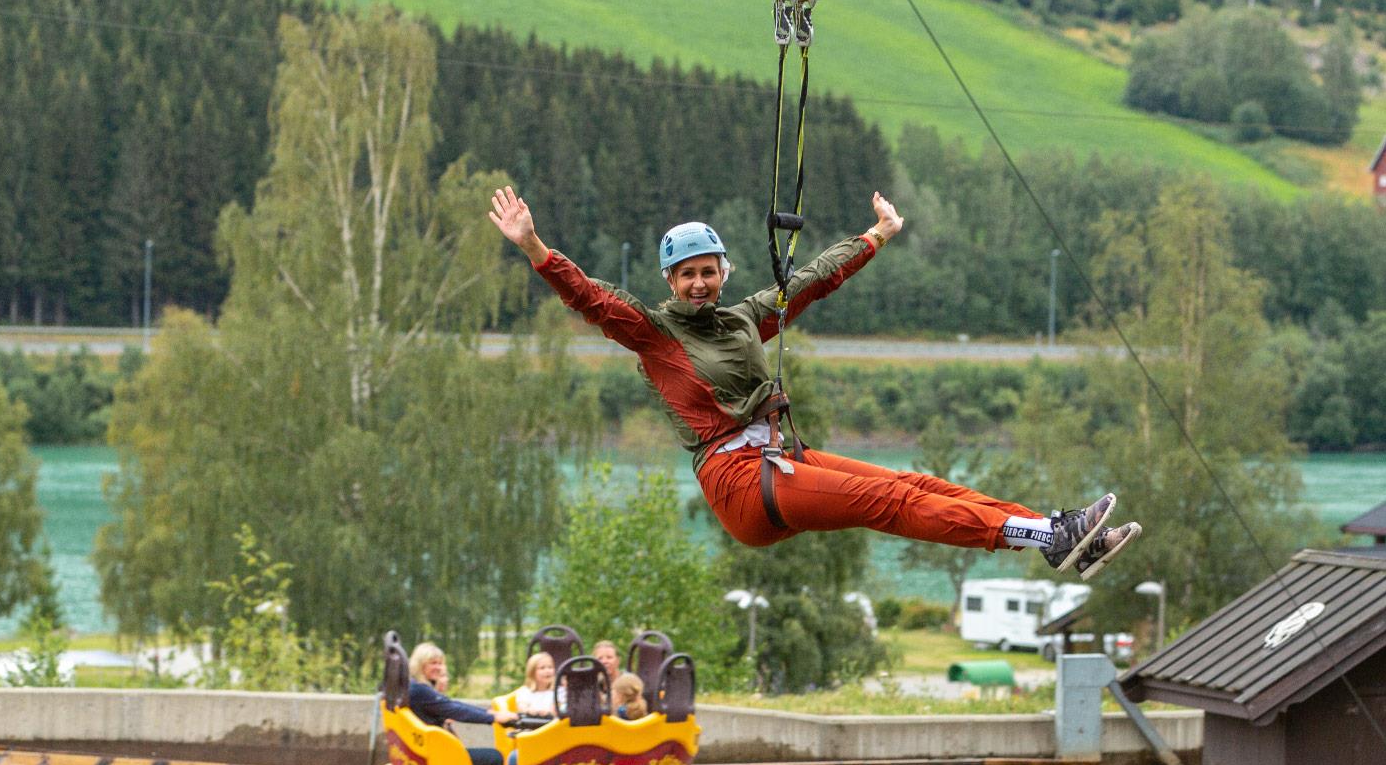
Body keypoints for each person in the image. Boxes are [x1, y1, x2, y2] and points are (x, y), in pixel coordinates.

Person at [488, 186, 1141, 577]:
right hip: (740, 484)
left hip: (775, 459)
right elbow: (592, 298)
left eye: (707, 271)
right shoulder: (654, 333)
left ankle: (1057, 534)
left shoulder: (745, 317)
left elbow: (813, 280)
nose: (697, 284)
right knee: (892, 507)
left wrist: (878, 235)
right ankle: (1047, 537)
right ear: (669, 283)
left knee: (908, 483)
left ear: (723, 270)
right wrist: (535, 249)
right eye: (685, 275)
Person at [406, 641, 517, 765]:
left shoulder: (415, 686)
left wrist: (491, 713)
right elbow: (456, 710)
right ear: (420, 665)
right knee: (494, 758)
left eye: (440, 663)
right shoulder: (420, 690)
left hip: (427, 751)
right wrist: (493, 718)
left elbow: (453, 705)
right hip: (434, 756)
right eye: (433, 663)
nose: (439, 667)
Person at [509, 651, 557, 717]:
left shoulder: (558, 691)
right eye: (542, 668)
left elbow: (557, 710)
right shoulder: (525, 691)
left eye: (550, 667)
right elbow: (522, 708)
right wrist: (528, 710)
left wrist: (550, 712)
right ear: (532, 672)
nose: (547, 671)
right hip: (531, 724)